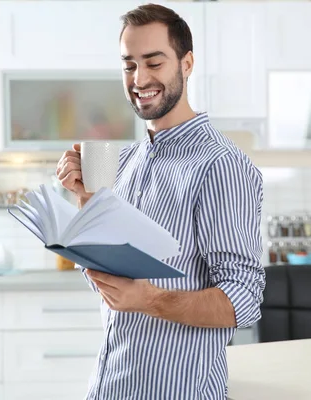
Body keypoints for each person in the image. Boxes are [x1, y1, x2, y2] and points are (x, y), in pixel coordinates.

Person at [56, 3, 265, 399]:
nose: (140, 78)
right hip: (110, 386)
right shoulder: (129, 161)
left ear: (186, 64)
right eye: (129, 65)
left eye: (154, 62)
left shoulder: (219, 165)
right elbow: (114, 290)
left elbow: (244, 301)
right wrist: (86, 202)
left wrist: (150, 299)